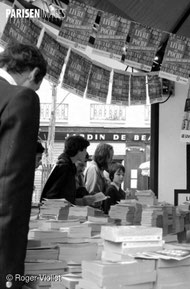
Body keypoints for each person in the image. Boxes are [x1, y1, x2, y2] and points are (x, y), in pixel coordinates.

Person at [0, 42, 47, 289]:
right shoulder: (21, 98)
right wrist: (10, 273)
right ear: (32, 73)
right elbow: (11, 187)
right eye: (36, 85)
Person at [41, 135, 96, 206]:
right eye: (85, 150)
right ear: (79, 150)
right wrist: (82, 201)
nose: (86, 153)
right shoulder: (65, 167)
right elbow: (54, 196)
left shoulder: (66, 165)